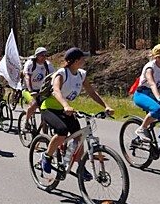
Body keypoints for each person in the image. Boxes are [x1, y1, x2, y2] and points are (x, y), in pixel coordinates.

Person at [40, 48, 114, 179]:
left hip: (67, 110)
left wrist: (106, 106)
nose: (84, 60)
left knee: (79, 137)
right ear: (74, 61)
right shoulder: (62, 73)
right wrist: (66, 105)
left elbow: (91, 92)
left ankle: (80, 166)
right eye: (82, 58)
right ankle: (47, 156)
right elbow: (56, 90)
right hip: (50, 108)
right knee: (62, 131)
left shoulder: (81, 74)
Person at [20, 47, 55, 131]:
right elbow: (27, 78)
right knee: (33, 104)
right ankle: (26, 121)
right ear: (37, 56)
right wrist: (31, 91)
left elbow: (54, 76)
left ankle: (45, 135)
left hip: (41, 90)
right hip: (28, 89)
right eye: (42, 55)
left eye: (45, 55)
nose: (44, 57)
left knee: (46, 109)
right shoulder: (30, 64)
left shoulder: (47, 64)